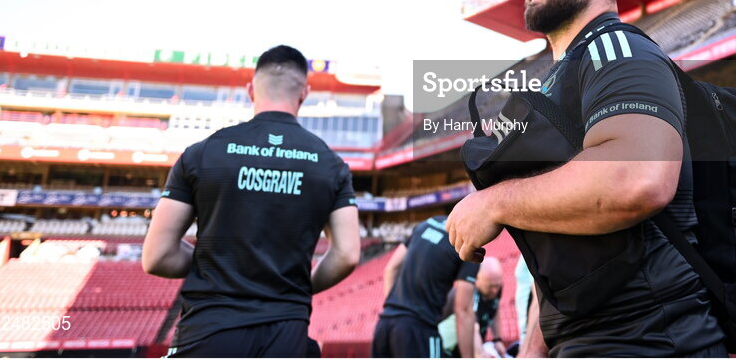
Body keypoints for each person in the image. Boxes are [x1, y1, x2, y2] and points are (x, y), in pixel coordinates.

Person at [446, 0, 727, 357]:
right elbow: (567, 248)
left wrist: (493, 202)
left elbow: (638, 179)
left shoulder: (618, 50)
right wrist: (536, 348)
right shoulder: (564, 76)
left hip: (648, 340)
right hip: (583, 339)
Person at [143, 45, 360, 358]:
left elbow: (157, 256)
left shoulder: (202, 153)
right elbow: (347, 254)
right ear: (304, 93)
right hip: (287, 334)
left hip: (208, 333)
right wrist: (296, 286)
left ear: (250, 90)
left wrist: (221, 262)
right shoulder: (331, 164)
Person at [373, 216, 478, 358]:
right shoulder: (468, 243)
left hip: (385, 325)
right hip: (418, 330)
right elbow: (463, 310)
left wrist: (395, 309)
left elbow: (391, 268)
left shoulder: (426, 224)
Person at [438, 256, 507, 358]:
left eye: (497, 285)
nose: (494, 290)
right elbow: (472, 327)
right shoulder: (468, 294)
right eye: (490, 286)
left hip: (471, 341)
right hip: (448, 348)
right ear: (477, 280)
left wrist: (497, 339)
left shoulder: (495, 287)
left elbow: (495, 307)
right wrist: (480, 353)